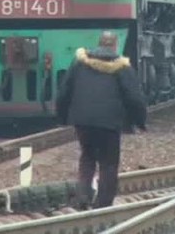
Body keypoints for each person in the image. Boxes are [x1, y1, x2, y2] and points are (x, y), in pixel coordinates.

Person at [56, 31, 147, 209]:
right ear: (114, 46)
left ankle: (83, 196)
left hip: (83, 121)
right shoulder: (122, 68)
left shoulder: (79, 64)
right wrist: (140, 121)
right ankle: (103, 203)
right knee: (108, 163)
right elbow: (134, 98)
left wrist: (62, 117)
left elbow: (64, 91)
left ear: (99, 44)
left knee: (87, 157)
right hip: (109, 123)